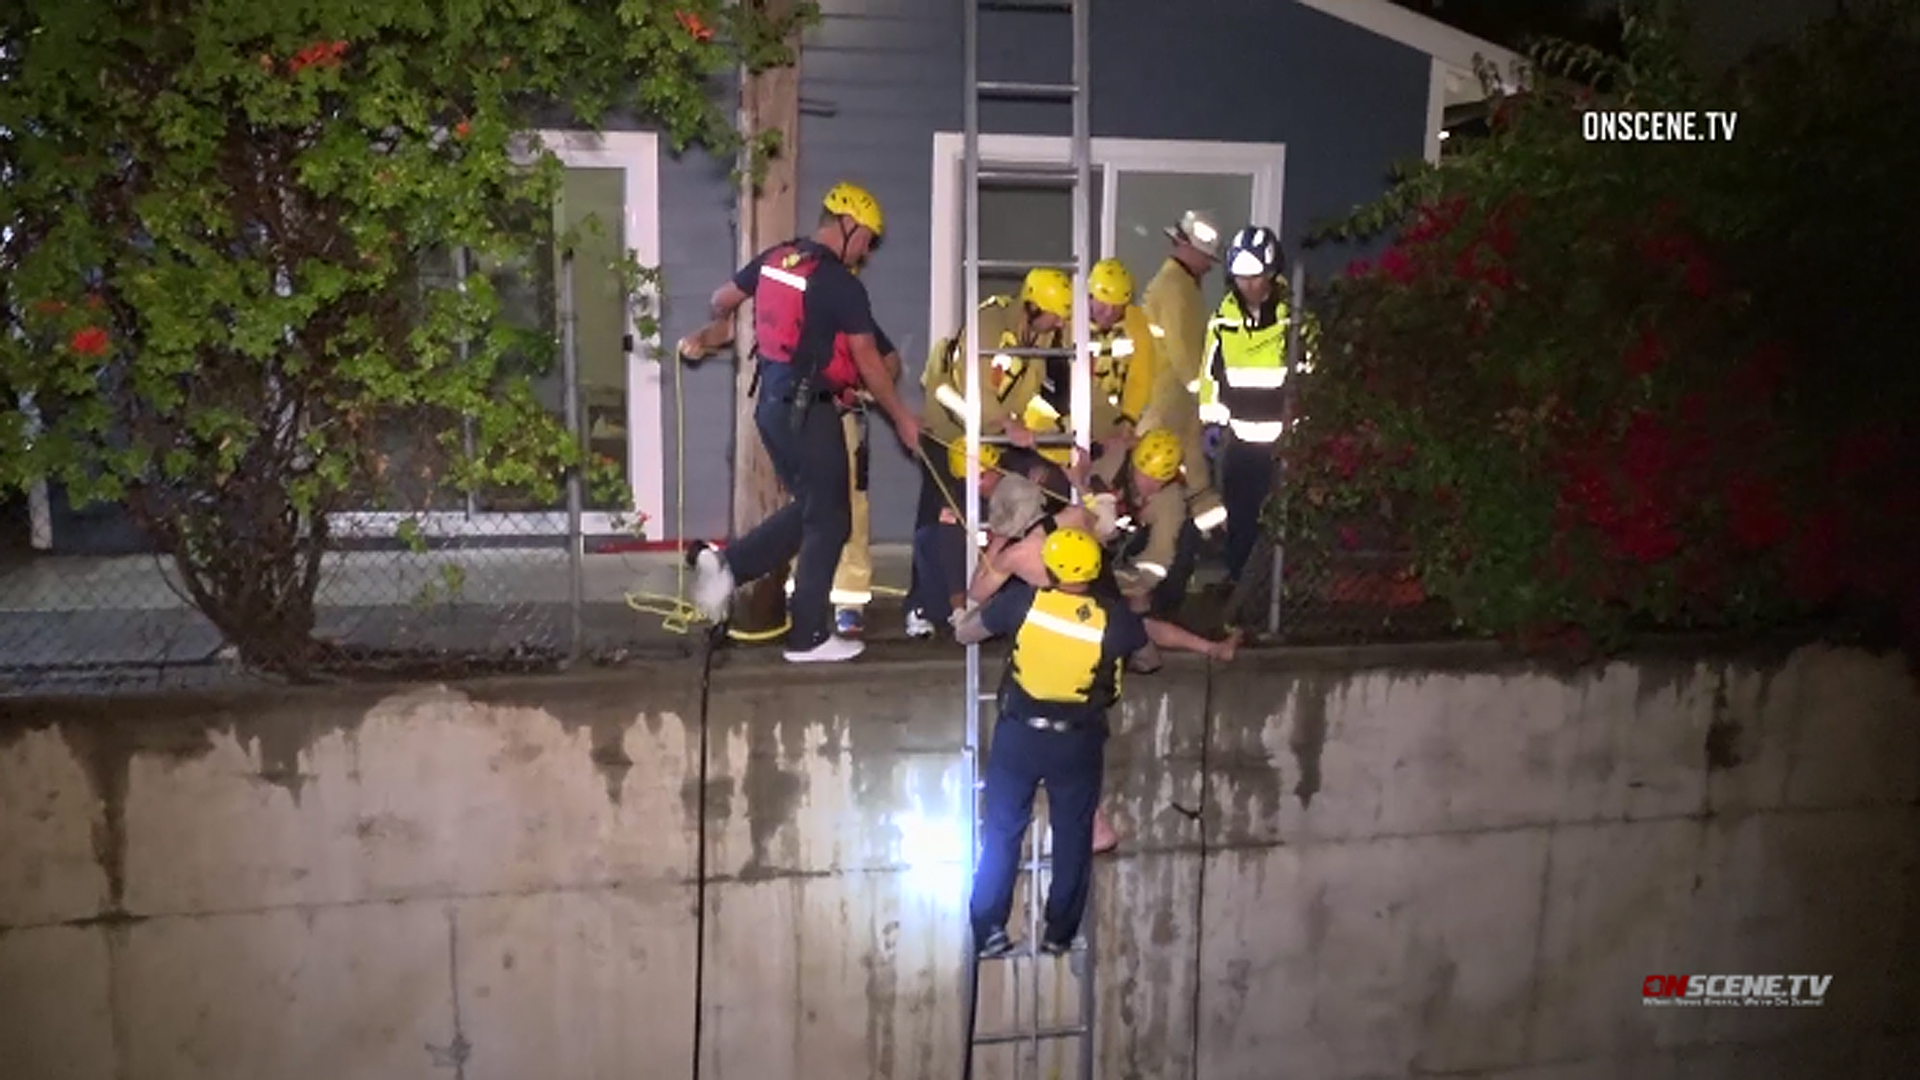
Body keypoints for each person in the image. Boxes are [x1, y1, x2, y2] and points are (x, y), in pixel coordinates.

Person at [954, 527, 1238, 957]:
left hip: (1019, 735)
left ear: (1049, 567)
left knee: (1001, 833)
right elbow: (1148, 659)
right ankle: (1059, 933)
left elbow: (966, 633)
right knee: (1071, 836)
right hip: (1076, 743)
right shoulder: (1113, 618)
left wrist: (1003, 604)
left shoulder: (1025, 602)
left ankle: (989, 928)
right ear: (1094, 570)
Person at [674, 182, 920, 663]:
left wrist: (717, 330)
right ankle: (807, 636)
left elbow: (723, 295)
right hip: (811, 410)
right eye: (867, 239)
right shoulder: (839, 283)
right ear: (849, 225)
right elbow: (870, 361)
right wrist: (903, 419)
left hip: (771, 406)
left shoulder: (777, 259)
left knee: (814, 510)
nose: (867, 253)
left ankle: (725, 565)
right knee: (832, 518)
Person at [906, 269, 1071, 634]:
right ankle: (923, 606)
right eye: (1053, 314)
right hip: (948, 429)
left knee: (1038, 489)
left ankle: (999, 596)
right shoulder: (990, 324)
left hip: (992, 436)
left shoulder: (1038, 337)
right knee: (944, 514)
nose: (1058, 323)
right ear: (1031, 306)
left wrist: (1058, 443)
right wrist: (1006, 425)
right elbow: (976, 389)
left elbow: (1030, 399)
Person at [1196, 225, 1314, 586]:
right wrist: (1212, 425)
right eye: (1242, 277)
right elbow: (1210, 378)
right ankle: (1238, 581)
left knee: (1284, 519)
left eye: (1256, 276)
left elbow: (1312, 375)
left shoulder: (1294, 322)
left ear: (1272, 273)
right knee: (1241, 517)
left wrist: (1305, 431)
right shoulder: (1223, 321)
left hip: (1285, 444)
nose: (1249, 285)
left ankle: (1280, 587)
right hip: (1241, 442)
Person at [1006, 258, 1159, 465]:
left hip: (1109, 421)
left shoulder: (1136, 323)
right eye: (1103, 306)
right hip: (1057, 415)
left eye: (1117, 308)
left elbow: (1141, 376)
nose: (1109, 314)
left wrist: (1127, 418)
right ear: (1089, 296)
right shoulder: (1066, 318)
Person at [1138, 211, 1228, 534]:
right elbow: (1182, 349)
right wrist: (1204, 396)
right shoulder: (1176, 287)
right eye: (1206, 258)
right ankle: (1167, 546)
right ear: (1187, 247)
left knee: (1192, 472)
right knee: (1165, 479)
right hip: (1168, 401)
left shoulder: (1181, 285)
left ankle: (1209, 535)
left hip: (1176, 400)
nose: (1208, 265)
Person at [1086, 427, 1203, 621]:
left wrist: (1138, 589)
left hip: (1136, 541)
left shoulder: (1171, 498)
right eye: (1144, 476)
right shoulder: (1112, 463)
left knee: (1186, 537)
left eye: (1157, 481)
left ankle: (1164, 612)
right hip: (1103, 538)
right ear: (1134, 464)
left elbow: (1159, 554)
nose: (1149, 485)